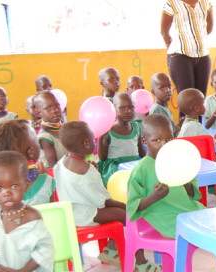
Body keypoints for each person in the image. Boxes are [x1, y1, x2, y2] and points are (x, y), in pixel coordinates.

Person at [127, 114, 206, 271]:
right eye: (157, 140)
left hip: (186, 209)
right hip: (162, 215)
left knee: (210, 222)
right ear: (144, 142)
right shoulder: (140, 170)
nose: (164, 145)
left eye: (169, 140)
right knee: (187, 232)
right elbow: (133, 207)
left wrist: (185, 181)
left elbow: (193, 195)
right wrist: (153, 197)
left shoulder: (178, 160)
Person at [54, 121, 129, 267]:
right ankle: (114, 251)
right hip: (85, 215)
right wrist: (124, 205)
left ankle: (110, 250)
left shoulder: (61, 163)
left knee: (118, 212)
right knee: (123, 214)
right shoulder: (87, 170)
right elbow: (103, 201)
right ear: (87, 143)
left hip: (69, 213)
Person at [0, 151, 54, 272]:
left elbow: (44, 250)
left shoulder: (32, 217)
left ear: (26, 185)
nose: (6, 193)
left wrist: (23, 271)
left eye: (14, 186)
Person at [161, 0, 213, 120]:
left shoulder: (205, 2)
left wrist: (198, 37)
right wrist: (177, 43)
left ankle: (197, 135)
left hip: (203, 56)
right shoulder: (172, 3)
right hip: (180, 57)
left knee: (199, 103)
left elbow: (209, 28)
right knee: (187, 103)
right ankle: (186, 136)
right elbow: (164, 31)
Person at [0, 119, 55, 206]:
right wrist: (44, 177)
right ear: (30, 152)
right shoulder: (47, 182)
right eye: (37, 142)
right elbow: (53, 210)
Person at [98, 92, 146, 185]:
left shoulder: (136, 127)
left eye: (131, 107)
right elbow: (102, 157)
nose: (128, 111)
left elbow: (141, 151)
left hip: (133, 165)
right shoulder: (109, 130)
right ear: (114, 109)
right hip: (116, 169)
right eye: (122, 108)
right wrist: (101, 137)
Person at [35, 91, 68, 168]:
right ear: (39, 113)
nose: (55, 110)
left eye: (57, 106)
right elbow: (55, 167)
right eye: (48, 108)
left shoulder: (65, 128)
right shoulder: (45, 137)